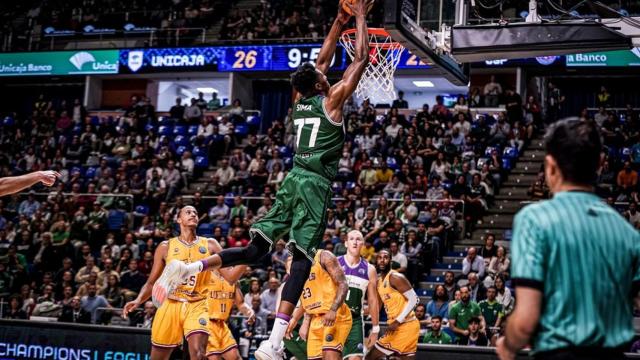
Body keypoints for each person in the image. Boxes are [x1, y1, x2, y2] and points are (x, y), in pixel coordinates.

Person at [153, 1, 374, 359]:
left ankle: (189, 267)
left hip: (292, 178)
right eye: (323, 75)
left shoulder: (300, 99)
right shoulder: (331, 100)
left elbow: (321, 61)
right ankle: (273, 343)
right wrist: (361, 17)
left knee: (257, 249)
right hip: (315, 184)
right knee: (302, 257)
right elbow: (360, 61)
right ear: (321, 83)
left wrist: (339, 21)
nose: (326, 73)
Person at [496, 119, 640, 360]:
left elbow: (525, 322)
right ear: (600, 165)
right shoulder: (627, 232)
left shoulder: (534, 220)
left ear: (551, 167)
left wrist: (508, 344)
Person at [121, 206, 243, 360]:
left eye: (195, 213)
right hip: (170, 304)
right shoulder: (166, 247)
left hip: (197, 304)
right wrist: (138, 300)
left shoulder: (210, 244)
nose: (193, 214)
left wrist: (247, 258)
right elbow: (152, 282)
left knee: (198, 354)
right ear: (179, 219)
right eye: (188, 212)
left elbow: (230, 277)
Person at [285, 249, 351, 360]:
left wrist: (333, 310)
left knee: (330, 356)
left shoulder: (324, 256)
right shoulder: (291, 262)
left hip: (334, 315)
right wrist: (295, 319)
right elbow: (308, 298)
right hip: (315, 319)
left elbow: (343, 284)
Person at [365, 250, 420, 360]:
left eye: (385, 257)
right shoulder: (379, 282)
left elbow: (415, 299)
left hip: (405, 325)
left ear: (390, 261)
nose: (382, 260)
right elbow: (376, 306)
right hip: (400, 327)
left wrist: (397, 320)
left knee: (370, 357)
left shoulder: (395, 277)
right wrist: (359, 311)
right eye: (379, 257)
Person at [336, 230, 380, 360]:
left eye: (358, 239)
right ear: (346, 243)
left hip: (354, 320)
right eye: (351, 239)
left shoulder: (370, 269)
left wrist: (376, 328)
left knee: (356, 358)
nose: (355, 242)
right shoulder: (335, 263)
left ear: (363, 244)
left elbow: (372, 301)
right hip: (334, 319)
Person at [205, 269, 255, 359]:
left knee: (235, 357)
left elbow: (241, 303)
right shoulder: (205, 275)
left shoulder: (233, 280)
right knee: (214, 357)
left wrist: (250, 312)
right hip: (207, 323)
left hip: (222, 325)